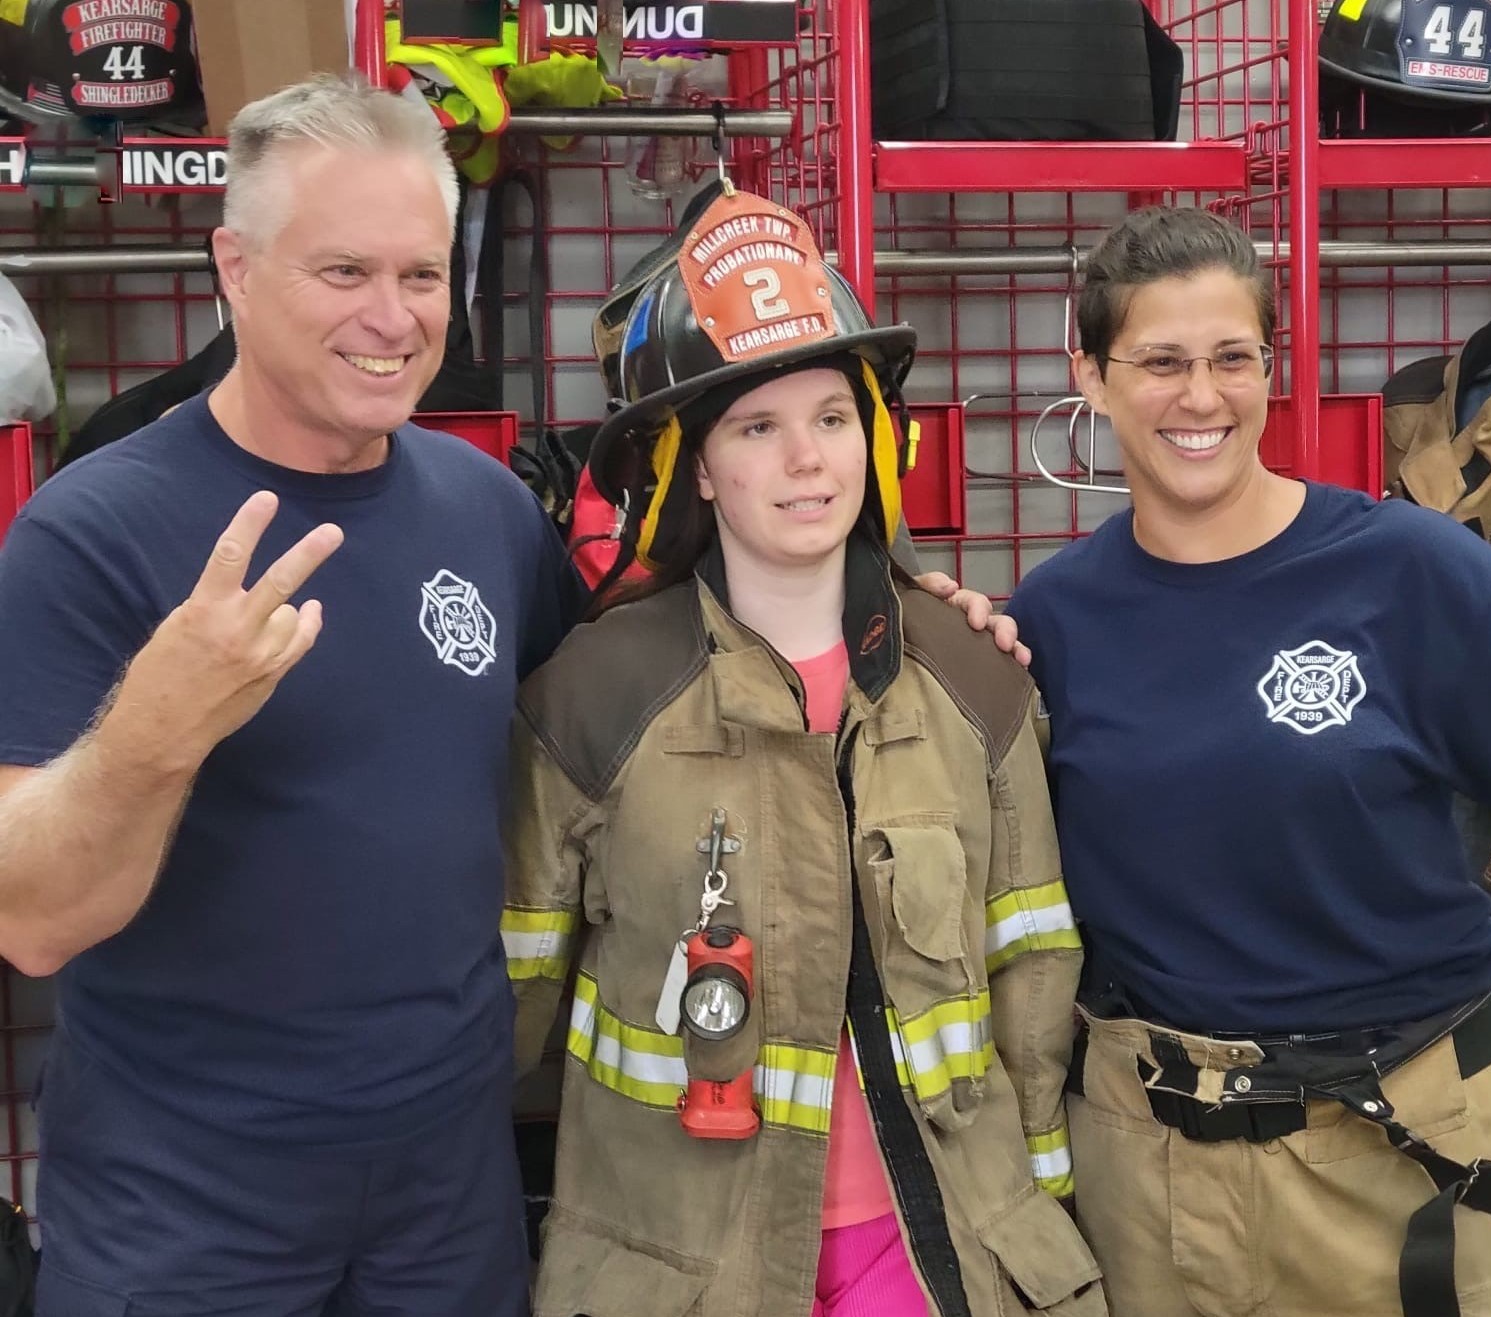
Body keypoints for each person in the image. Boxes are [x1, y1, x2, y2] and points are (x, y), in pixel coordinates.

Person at [0, 74, 584, 1316]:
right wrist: (150, 737)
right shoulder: (91, 536)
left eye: (422, 277)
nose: (393, 317)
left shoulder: (486, 511)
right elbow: (31, 921)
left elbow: (632, 694)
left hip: (450, 1192)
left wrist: (917, 614)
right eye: (343, 273)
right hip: (186, 1211)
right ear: (238, 267)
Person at [501, 186, 1106, 1317]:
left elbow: (1032, 986)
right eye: (757, 427)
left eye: (831, 417)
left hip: (942, 1261)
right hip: (681, 1274)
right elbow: (501, 1017)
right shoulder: (592, 703)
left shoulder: (978, 682)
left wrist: (1043, 1213)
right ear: (694, 466)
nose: (805, 461)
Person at [1005, 205, 1491, 1317]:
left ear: (1272, 371)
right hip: (1154, 1187)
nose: (1202, 397)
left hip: (1414, 1161)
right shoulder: (1051, 623)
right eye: (1161, 362)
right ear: (1090, 376)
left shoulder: (1413, 576)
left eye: (1234, 358)